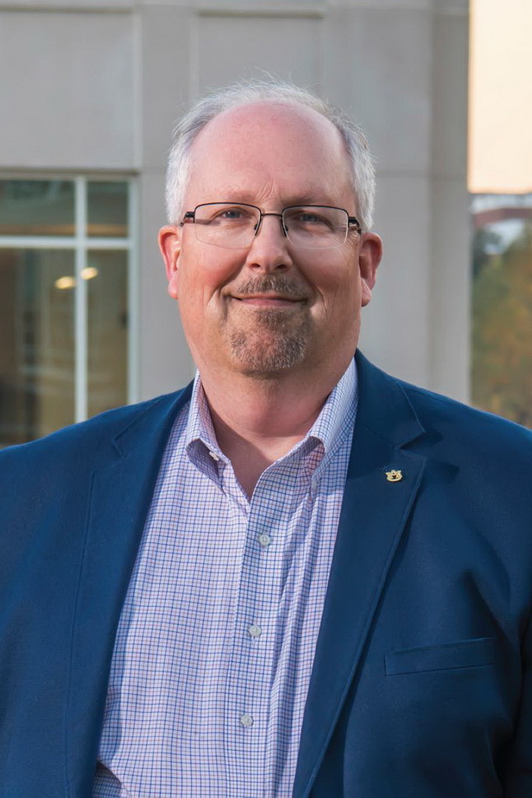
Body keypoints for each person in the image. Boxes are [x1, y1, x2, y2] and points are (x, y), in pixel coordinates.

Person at [0, 81, 531, 798]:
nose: (267, 252)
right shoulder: (23, 506)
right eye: (229, 215)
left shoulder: (511, 498)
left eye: (309, 218)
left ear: (365, 264)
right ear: (174, 258)